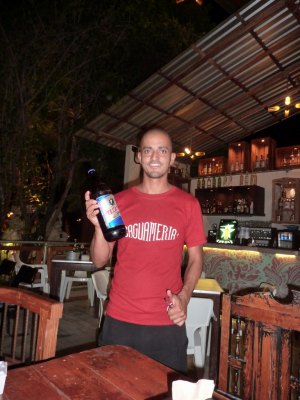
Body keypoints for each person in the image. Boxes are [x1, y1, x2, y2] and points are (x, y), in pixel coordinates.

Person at [85, 127, 206, 373]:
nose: (154, 157)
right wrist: (98, 228)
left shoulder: (188, 205)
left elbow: (196, 259)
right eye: (148, 150)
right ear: (138, 156)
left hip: (166, 322)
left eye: (162, 150)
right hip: (119, 320)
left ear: (173, 158)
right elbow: (99, 260)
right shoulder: (116, 202)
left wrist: (184, 296)